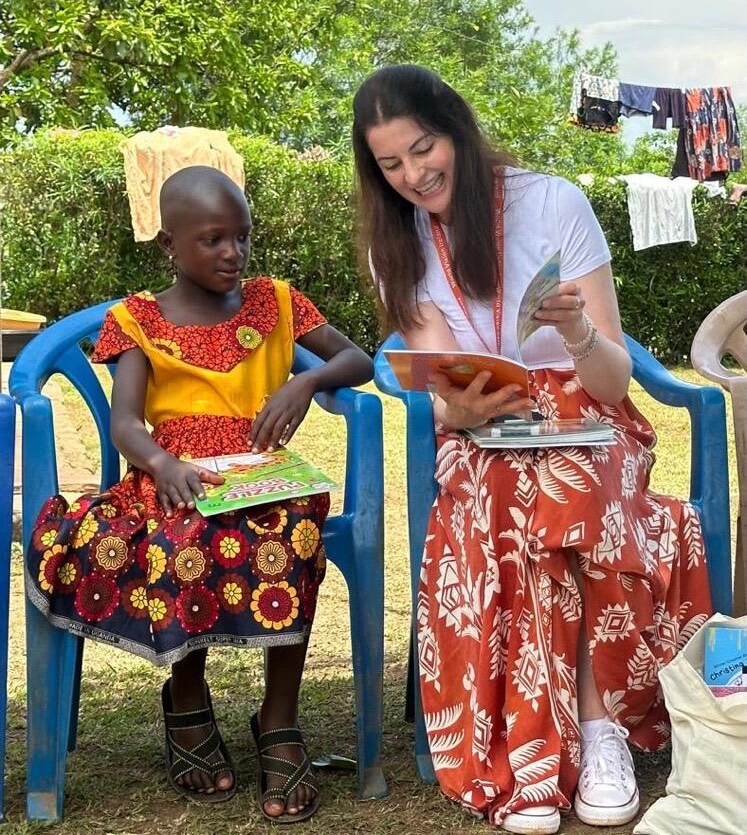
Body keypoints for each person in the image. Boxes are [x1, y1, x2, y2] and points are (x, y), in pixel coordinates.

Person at [353, 65, 712, 834]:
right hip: (482, 425)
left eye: (423, 149)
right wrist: (458, 403)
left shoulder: (552, 203)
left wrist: (578, 332)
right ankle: (531, 747)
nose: (414, 175)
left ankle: (594, 729)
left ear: (456, 132)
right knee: (511, 492)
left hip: (589, 415)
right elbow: (442, 390)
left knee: (571, 480)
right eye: (391, 164)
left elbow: (614, 384)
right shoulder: (398, 241)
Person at [27, 166, 373, 822]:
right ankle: (186, 690)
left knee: (289, 532)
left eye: (241, 238)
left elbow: (356, 358)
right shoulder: (138, 320)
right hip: (173, 473)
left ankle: (279, 716)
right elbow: (126, 422)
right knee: (184, 537)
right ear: (169, 245)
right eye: (213, 239)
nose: (232, 254)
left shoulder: (275, 302)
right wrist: (161, 463)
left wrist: (305, 382)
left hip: (261, 473)